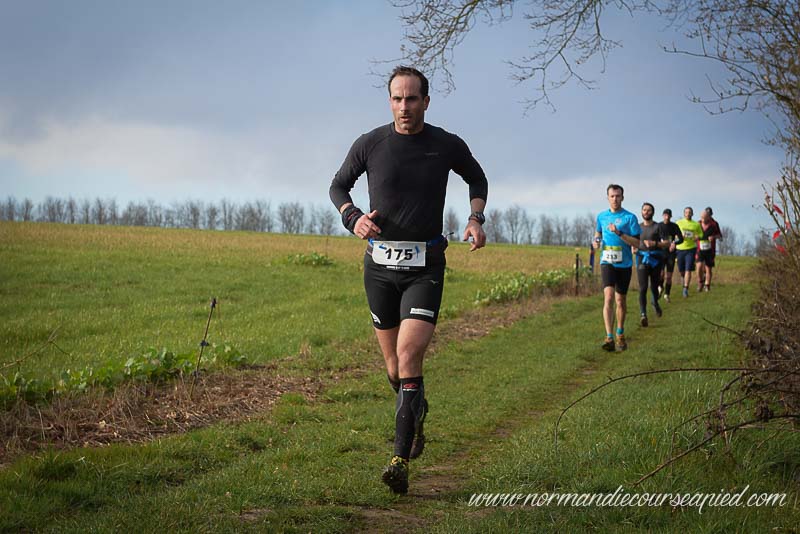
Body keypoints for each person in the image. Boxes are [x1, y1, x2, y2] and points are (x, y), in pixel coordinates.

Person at [329, 66, 488, 494]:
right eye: (397, 99)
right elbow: (338, 187)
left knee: (408, 355)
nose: (404, 107)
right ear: (390, 102)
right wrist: (352, 218)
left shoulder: (446, 144)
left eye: (412, 99)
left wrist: (475, 218)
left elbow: (477, 178)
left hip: (425, 267)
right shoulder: (370, 144)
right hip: (379, 269)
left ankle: (398, 462)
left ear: (426, 102)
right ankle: (416, 409)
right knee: (393, 368)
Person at [593, 184, 641, 352]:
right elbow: (598, 233)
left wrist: (619, 233)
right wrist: (596, 241)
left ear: (622, 197)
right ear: (607, 198)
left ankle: (620, 332)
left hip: (624, 264)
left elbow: (637, 243)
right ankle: (609, 337)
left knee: (620, 300)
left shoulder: (630, 218)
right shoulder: (601, 216)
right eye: (612, 196)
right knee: (608, 298)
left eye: (618, 196)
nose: (615, 199)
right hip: (607, 262)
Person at [635, 203, 669, 326]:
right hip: (642, 258)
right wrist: (633, 247)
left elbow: (667, 243)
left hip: (655, 259)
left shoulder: (658, 227)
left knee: (654, 287)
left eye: (649, 210)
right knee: (643, 287)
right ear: (641, 212)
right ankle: (643, 315)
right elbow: (633, 241)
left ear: (653, 213)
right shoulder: (637, 227)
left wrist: (655, 244)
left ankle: (655, 302)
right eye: (644, 210)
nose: (646, 212)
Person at [675, 207, 704, 298]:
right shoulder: (679, 223)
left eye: (690, 212)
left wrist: (697, 237)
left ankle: (685, 288)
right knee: (682, 270)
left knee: (688, 269)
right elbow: (674, 233)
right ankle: (683, 279)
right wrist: (679, 236)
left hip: (691, 249)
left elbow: (701, 234)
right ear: (684, 214)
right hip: (680, 248)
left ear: (692, 214)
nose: (688, 214)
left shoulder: (696, 224)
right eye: (686, 212)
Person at [657, 208, 683, 302]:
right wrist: (659, 243)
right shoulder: (658, 226)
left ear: (671, 216)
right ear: (663, 216)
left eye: (668, 215)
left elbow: (681, 239)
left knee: (668, 276)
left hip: (671, 254)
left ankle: (667, 294)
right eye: (665, 215)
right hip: (661, 253)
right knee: (660, 274)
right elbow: (654, 237)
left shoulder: (674, 226)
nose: (667, 217)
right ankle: (660, 286)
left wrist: (674, 243)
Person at [696, 206, 722, 292]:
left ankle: (707, 285)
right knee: (699, 267)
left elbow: (720, 236)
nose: (703, 219)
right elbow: (693, 234)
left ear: (710, 216)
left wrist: (713, 237)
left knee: (708, 268)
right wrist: (695, 237)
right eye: (702, 217)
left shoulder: (714, 224)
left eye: (708, 215)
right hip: (699, 249)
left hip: (710, 249)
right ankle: (700, 282)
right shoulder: (698, 224)